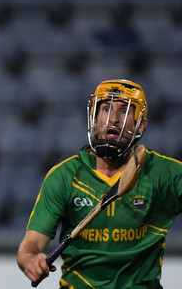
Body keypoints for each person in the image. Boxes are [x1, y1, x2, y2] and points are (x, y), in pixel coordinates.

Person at [17, 79, 182, 288]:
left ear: (140, 124)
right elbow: (30, 245)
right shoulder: (64, 176)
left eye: (124, 111)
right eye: (105, 109)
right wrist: (31, 260)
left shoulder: (166, 174)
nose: (113, 119)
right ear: (94, 118)